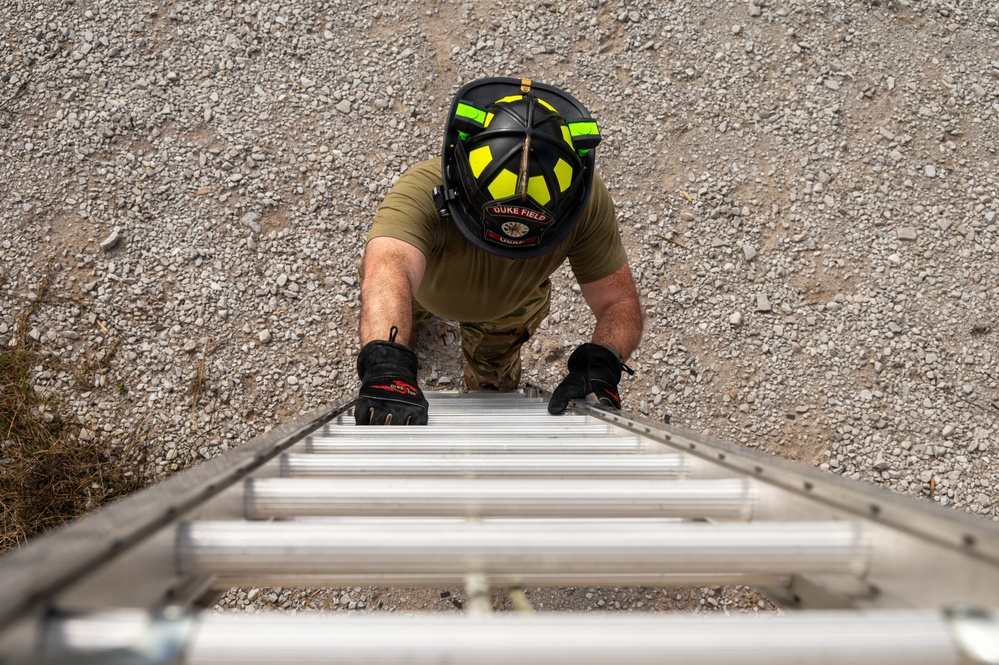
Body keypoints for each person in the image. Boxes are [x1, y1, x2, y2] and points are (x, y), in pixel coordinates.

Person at [354, 77, 643, 425]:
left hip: (509, 309)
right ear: (457, 182)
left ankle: (465, 368)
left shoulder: (587, 201)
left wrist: (603, 361)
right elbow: (389, 269)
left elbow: (618, 302)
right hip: (420, 291)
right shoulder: (420, 190)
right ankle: (405, 344)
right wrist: (386, 364)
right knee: (396, 327)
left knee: (494, 385)